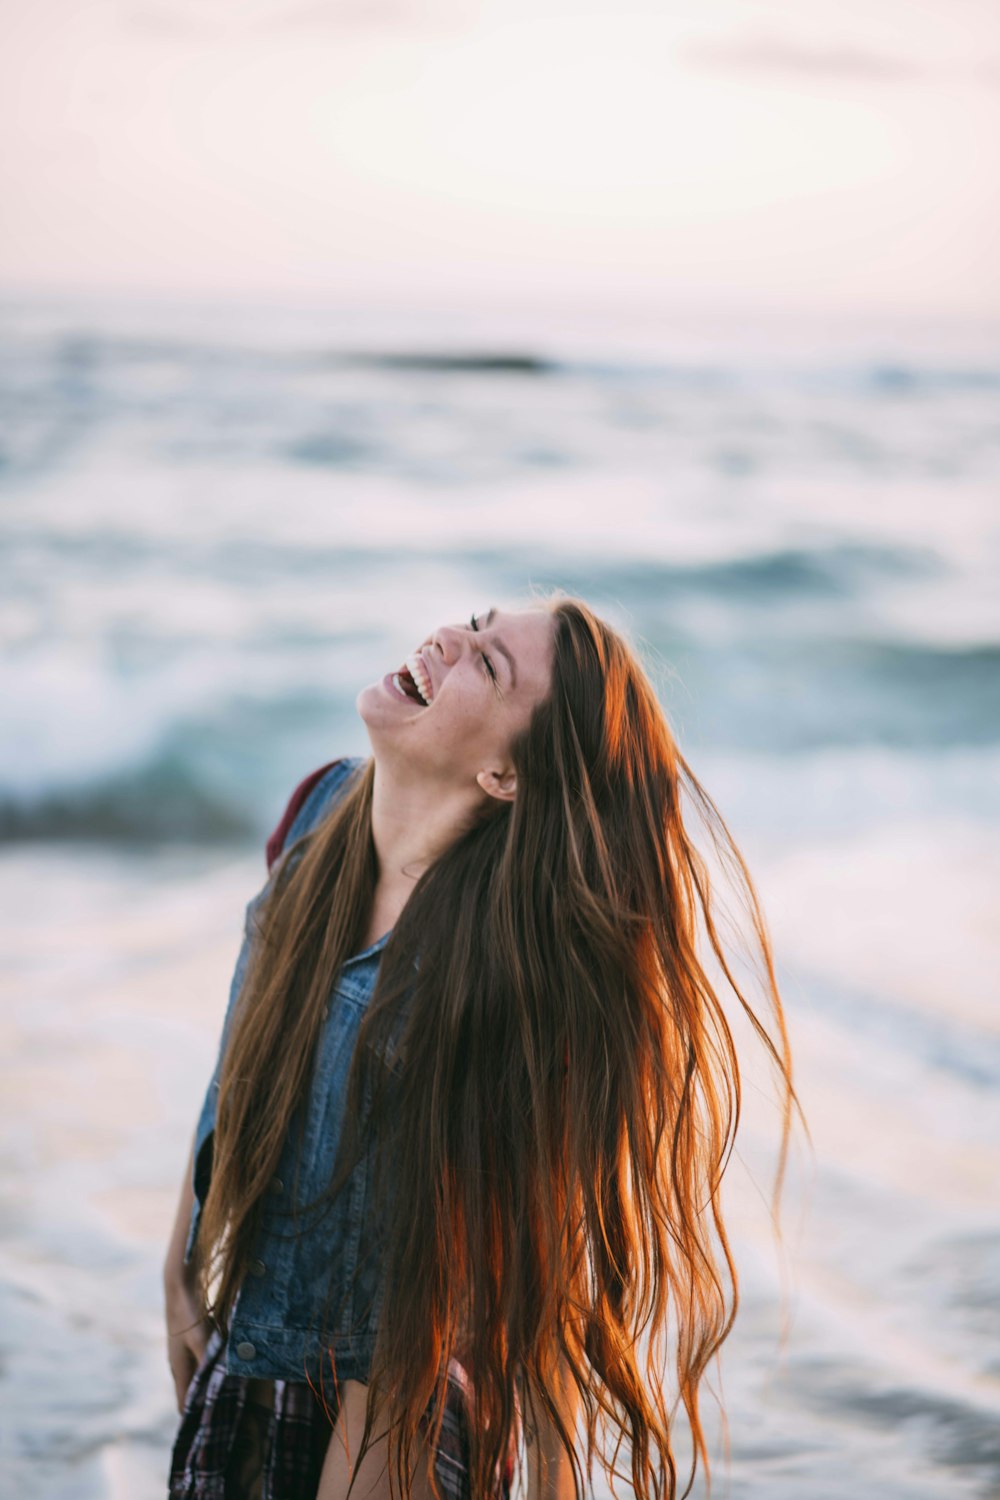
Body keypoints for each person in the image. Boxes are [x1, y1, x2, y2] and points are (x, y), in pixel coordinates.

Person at [163, 592, 803, 1500]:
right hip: (248, 1360)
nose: (451, 640)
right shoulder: (317, 813)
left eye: (490, 665)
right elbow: (246, 1038)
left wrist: (549, 1482)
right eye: (477, 621)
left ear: (507, 778)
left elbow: (545, 1260)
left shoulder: (508, 969)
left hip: (394, 1412)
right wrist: (180, 1259)